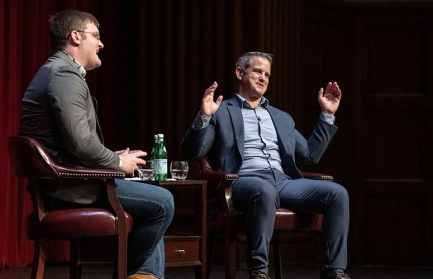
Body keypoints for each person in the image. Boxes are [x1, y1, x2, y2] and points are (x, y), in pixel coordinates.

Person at [19, 10, 174, 279]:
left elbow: (71, 143)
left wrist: (110, 156)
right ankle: (139, 276)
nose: (101, 44)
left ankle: (142, 275)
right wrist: (116, 163)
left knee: (151, 198)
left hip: (68, 181)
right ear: (75, 37)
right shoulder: (63, 75)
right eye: (96, 36)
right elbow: (80, 143)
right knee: (162, 201)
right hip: (69, 189)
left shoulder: (58, 71)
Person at [181, 52, 350, 279]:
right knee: (265, 190)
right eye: (258, 72)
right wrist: (203, 116)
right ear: (240, 73)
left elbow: (310, 155)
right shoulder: (221, 111)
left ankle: (334, 272)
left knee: (338, 193)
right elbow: (193, 152)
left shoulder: (281, 117)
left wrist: (327, 115)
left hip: (282, 182)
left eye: (267, 75)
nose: (263, 78)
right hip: (242, 181)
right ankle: (259, 271)